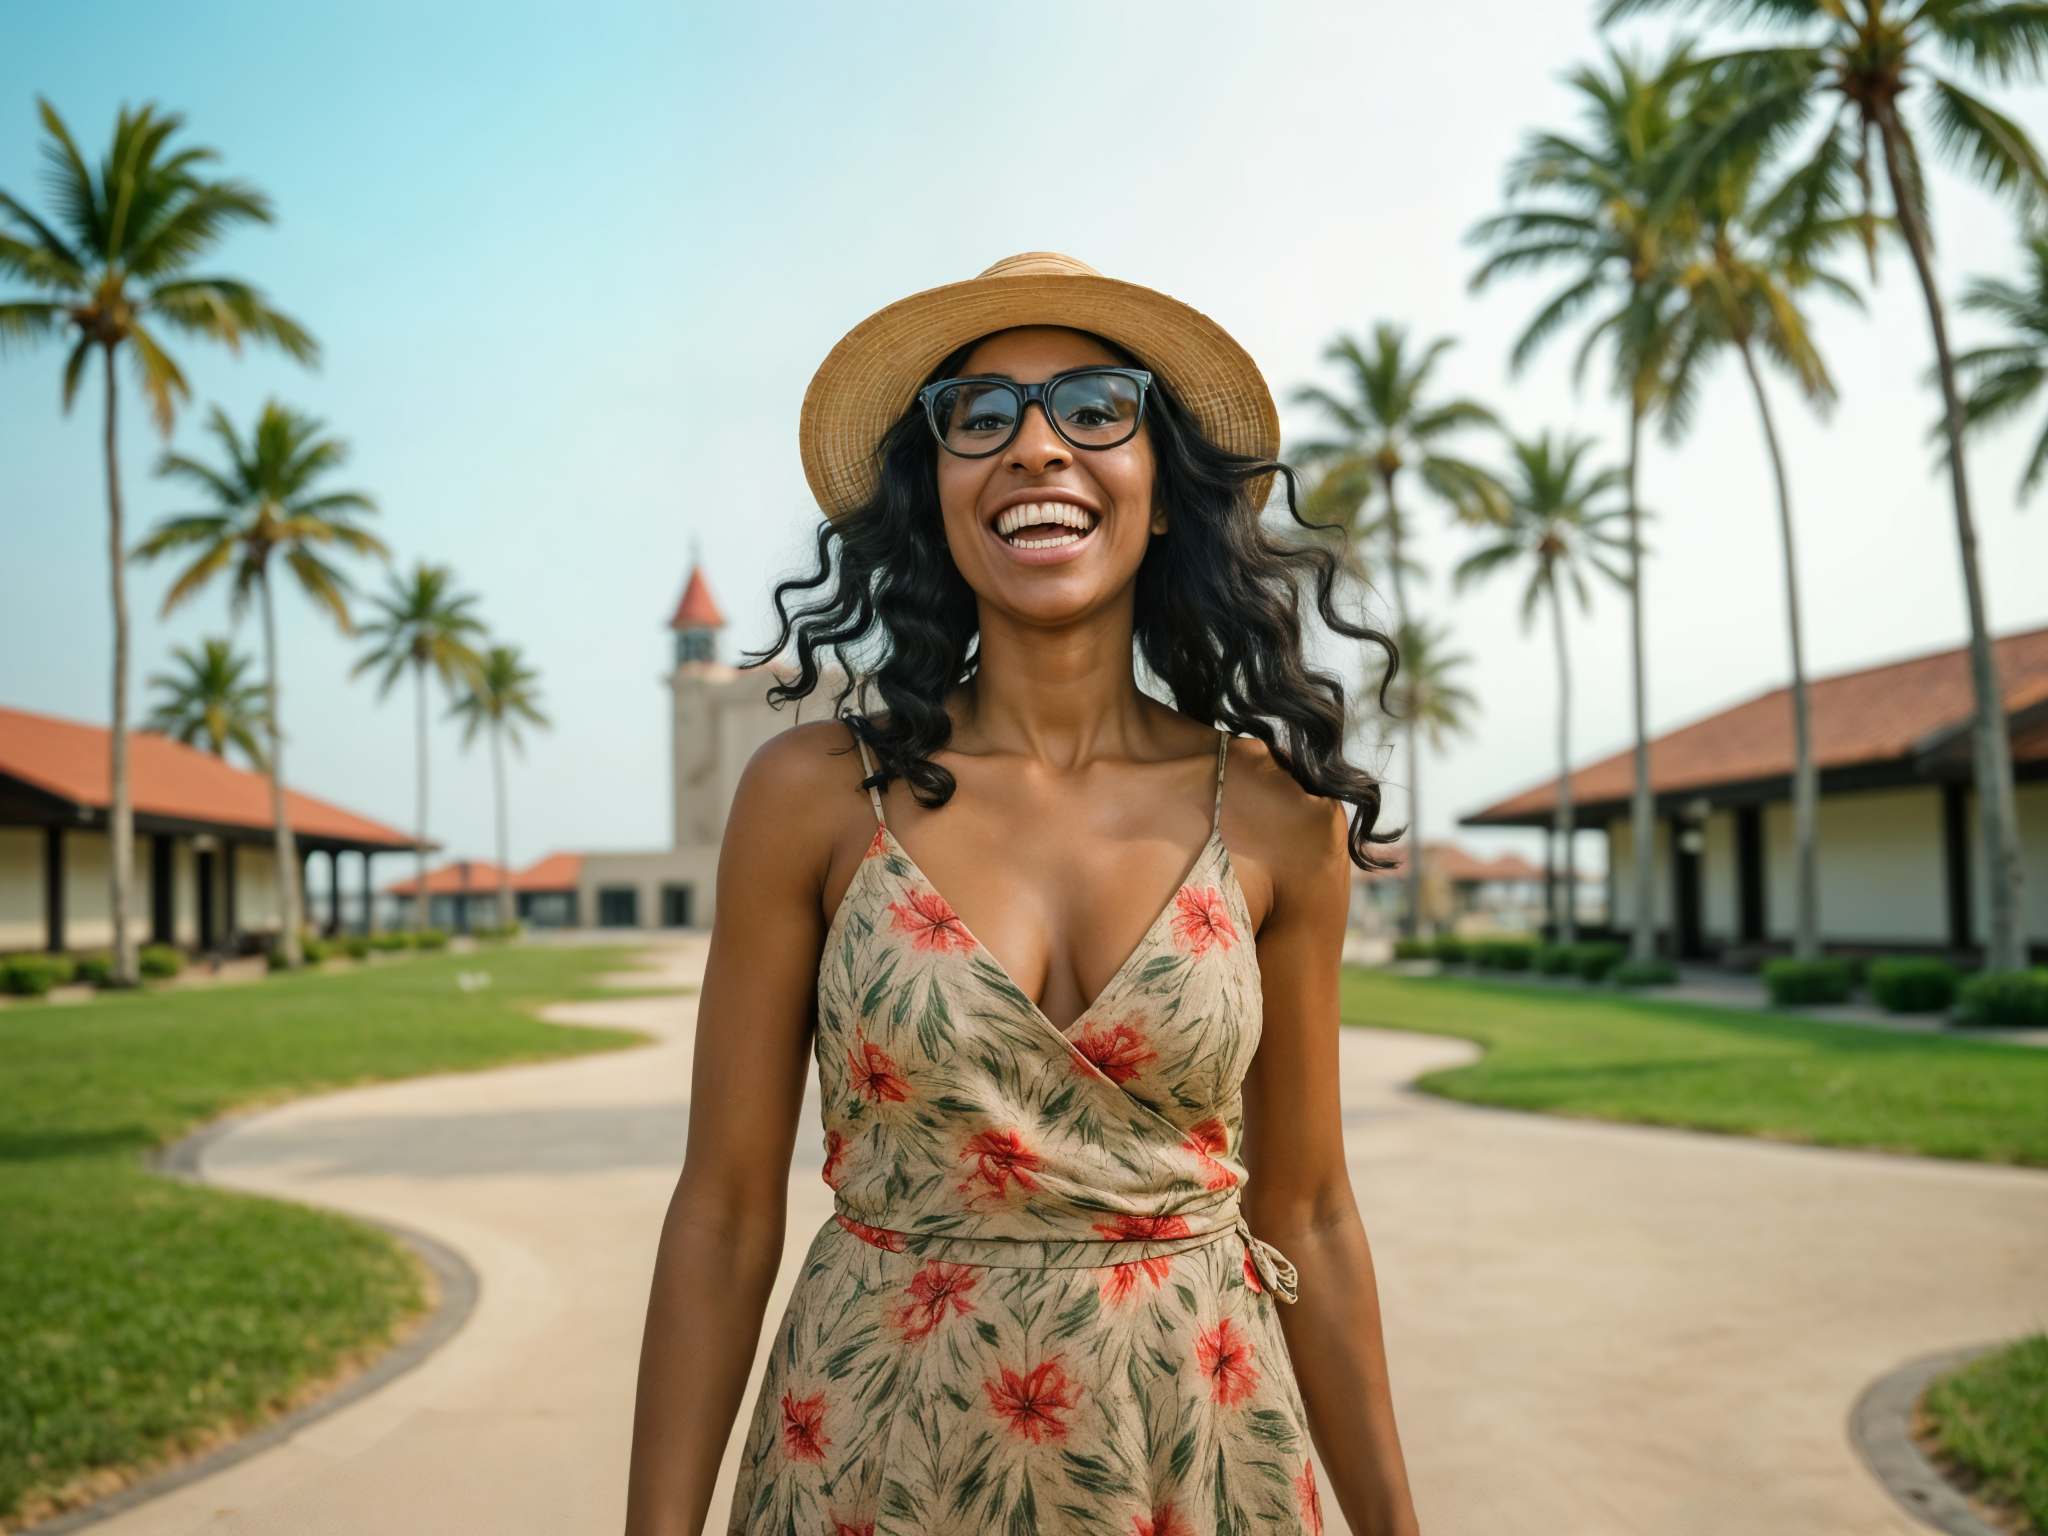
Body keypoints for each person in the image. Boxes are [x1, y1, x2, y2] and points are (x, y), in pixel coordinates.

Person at [625, 253, 1420, 1536]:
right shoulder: (814, 795)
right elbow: (720, 1215)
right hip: (871, 1470)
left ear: (1161, 493)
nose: (1036, 447)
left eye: (1096, 408)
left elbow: (1311, 1214)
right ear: (932, 495)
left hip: (1195, 1464)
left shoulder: (1280, 814)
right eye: (979, 415)